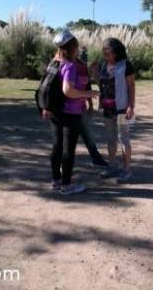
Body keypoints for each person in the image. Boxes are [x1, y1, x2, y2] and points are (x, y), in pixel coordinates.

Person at [42, 30, 99, 195]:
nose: (78, 49)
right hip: (70, 113)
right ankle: (66, 186)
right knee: (68, 149)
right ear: (71, 48)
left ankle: (56, 180)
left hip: (55, 111)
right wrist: (88, 94)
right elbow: (68, 90)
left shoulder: (54, 63)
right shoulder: (70, 65)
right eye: (77, 46)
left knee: (57, 146)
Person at [94, 38, 136, 183]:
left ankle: (126, 170)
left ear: (116, 51)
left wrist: (131, 106)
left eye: (107, 50)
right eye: (103, 50)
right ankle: (112, 166)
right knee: (111, 139)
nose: (104, 52)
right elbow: (101, 84)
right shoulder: (102, 65)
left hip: (122, 109)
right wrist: (94, 72)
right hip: (107, 108)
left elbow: (131, 86)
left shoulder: (126, 65)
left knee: (124, 139)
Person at [76, 58, 109, 167]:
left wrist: (90, 104)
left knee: (88, 134)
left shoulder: (82, 65)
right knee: (68, 138)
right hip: (67, 109)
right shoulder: (64, 64)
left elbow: (87, 86)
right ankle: (63, 165)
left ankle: (96, 158)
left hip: (81, 108)